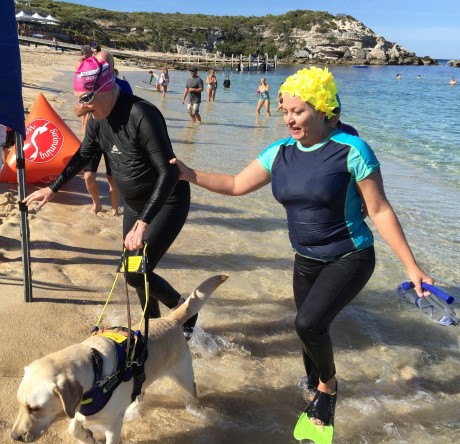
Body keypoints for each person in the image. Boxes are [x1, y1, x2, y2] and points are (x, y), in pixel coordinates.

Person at [170, 67, 432, 430]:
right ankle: (314, 389)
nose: (290, 119)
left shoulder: (352, 150)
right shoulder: (280, 152)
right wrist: (188, 173)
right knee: (308, 331)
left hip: (350, 256)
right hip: (306, 259)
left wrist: (410, 266)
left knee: (308, 323)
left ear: (324, 110)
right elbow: (234, 184)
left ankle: (328, 387)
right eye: (286, 111)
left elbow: (379, 209)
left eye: (299, 111)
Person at [23, 54, 197, 339]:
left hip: (167, 201)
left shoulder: (142, 114)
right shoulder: (95, 119)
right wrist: (53, 188)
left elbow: (169, 173)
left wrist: (143, 223)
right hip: (135, 204)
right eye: (79, 99)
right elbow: (83, 155)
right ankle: (151, 331)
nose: (82, 106)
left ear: (106, 87)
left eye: (87, 99)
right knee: (137, 270)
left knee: (135, 272)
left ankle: (185, 312)